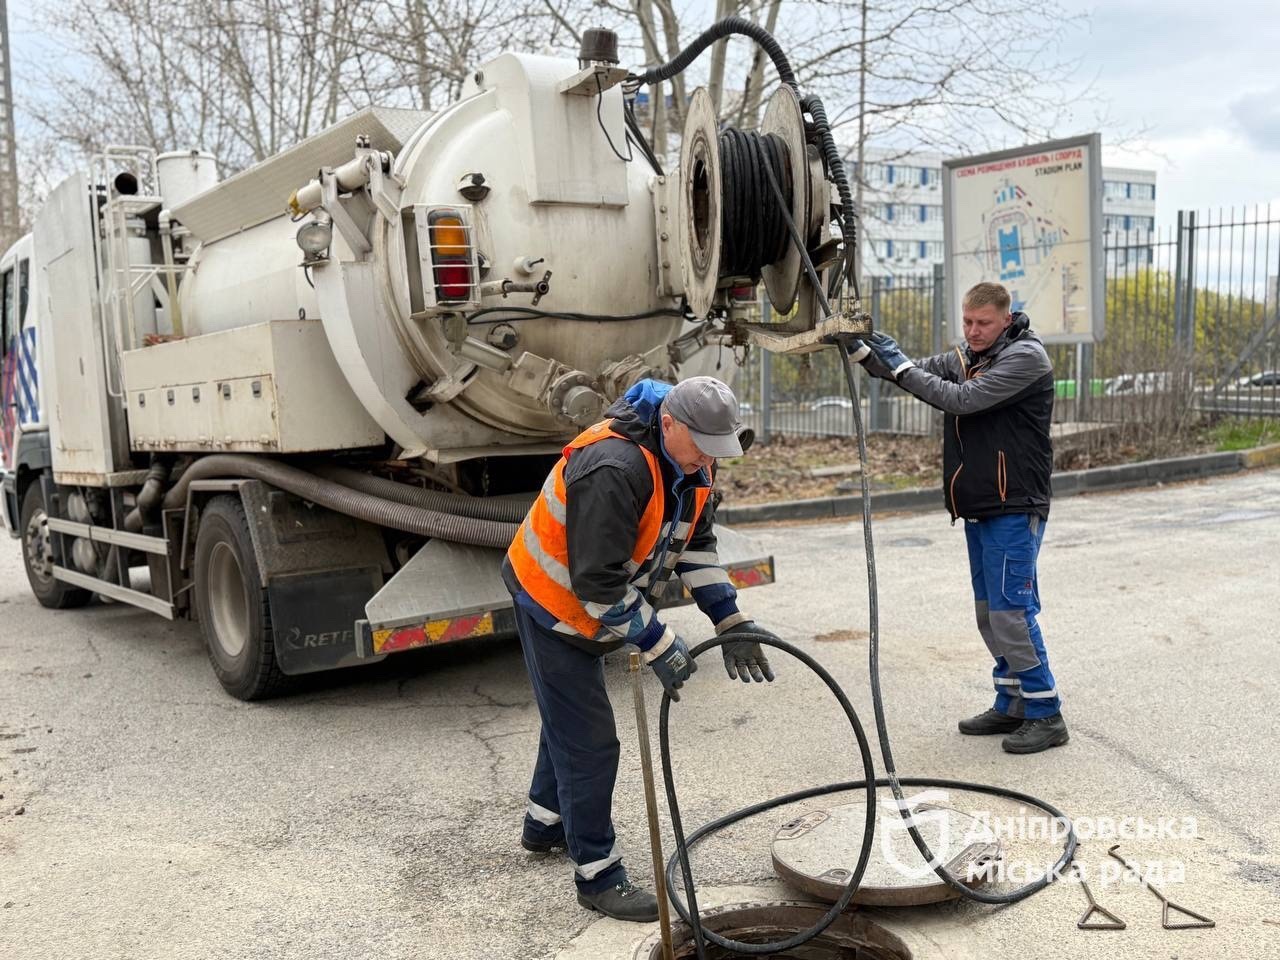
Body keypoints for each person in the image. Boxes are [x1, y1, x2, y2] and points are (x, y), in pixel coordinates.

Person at [503, 375, 782, 921]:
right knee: (591, 743)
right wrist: (659, 642)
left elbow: (695, 543)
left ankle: (544, 823)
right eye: (701, 446)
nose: (707, 461)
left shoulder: (696, 458)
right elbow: (598, 584)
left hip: (596, 602)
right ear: (669, 423)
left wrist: (730, 619)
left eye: (717, 450)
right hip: (552, 602)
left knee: (568, 717)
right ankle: (598, 876)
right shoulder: (615, 467)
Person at [853, 281, 1067, 755]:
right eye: (968, 322)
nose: (972, 331)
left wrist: (903, 366)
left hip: (1017, 504)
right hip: (982, 505)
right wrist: (865, 352)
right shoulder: (970, 355)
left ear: (1006, 319)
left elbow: (960, 400)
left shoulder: (1024, 360)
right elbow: (910, 374)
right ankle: (1012, 701)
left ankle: (1046, 712)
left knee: (1013, 611)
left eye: (983, 323)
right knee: (989, 614)